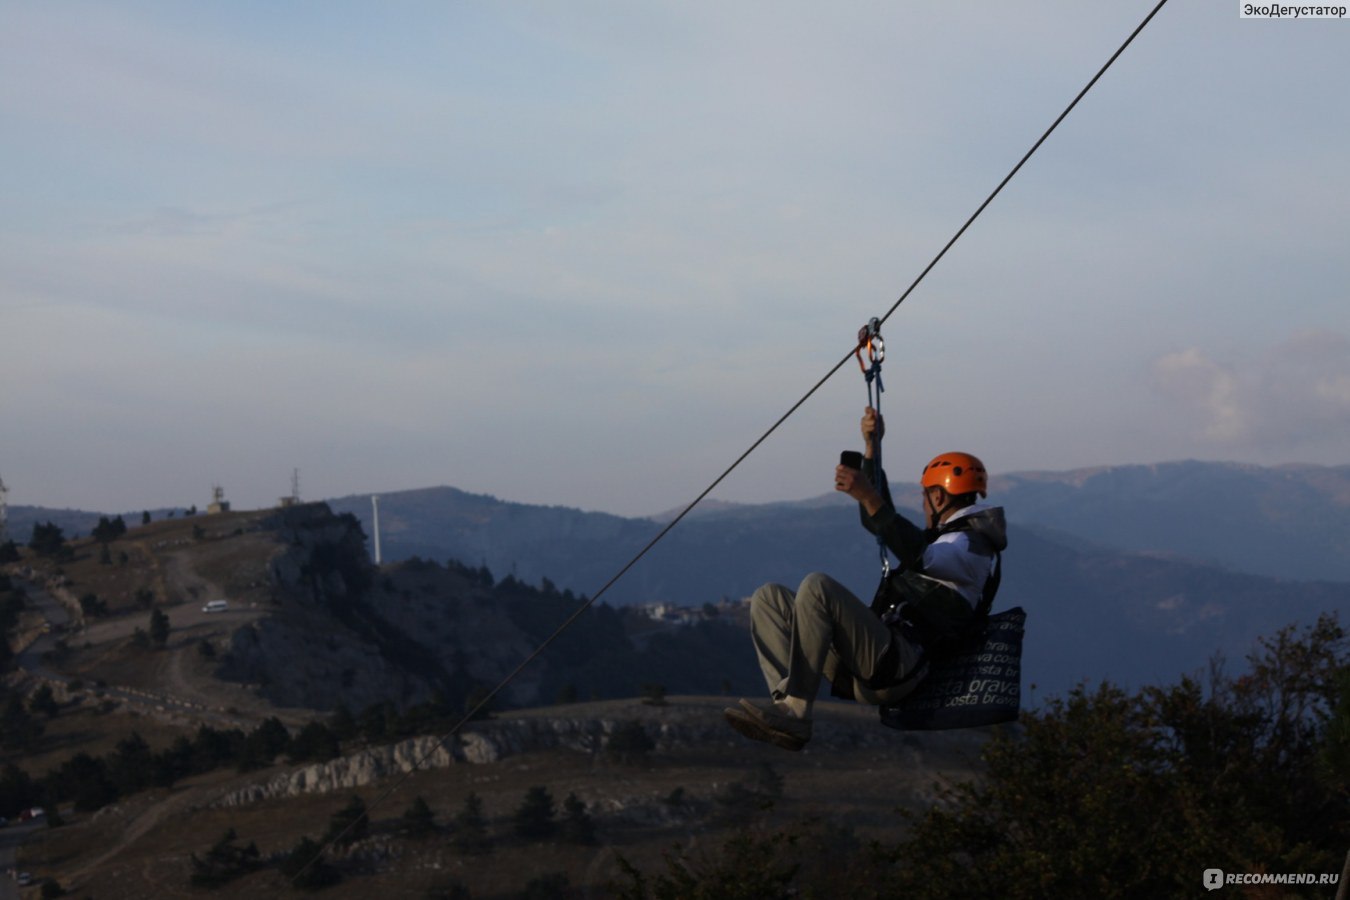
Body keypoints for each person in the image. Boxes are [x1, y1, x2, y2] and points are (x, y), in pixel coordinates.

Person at [723, 406, 1007, 751]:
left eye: (924, 497)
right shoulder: (954, 539)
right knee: (769, 598)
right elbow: (881, 524)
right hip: (874, 662)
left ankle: (796, 712)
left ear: (938, 496)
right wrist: (872, 447)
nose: (923, 505)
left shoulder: (970, 546)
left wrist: (868, 496)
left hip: (898, 666)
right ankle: (787, 705)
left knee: (817, 587)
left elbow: (920, 554)